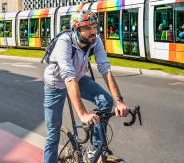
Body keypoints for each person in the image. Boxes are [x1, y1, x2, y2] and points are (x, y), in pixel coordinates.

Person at [42, 10, 129, 163]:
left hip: (79, 79)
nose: (93, 31)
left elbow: (105, 68)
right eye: (88, 28)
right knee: (53, 132)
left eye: (95, 27)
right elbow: (68, 78)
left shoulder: (95, 40)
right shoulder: (64, 42)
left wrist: (119, 100)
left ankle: (93, 148)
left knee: (107, 101)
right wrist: (83, 114)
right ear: (76, 29)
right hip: (56, 84)